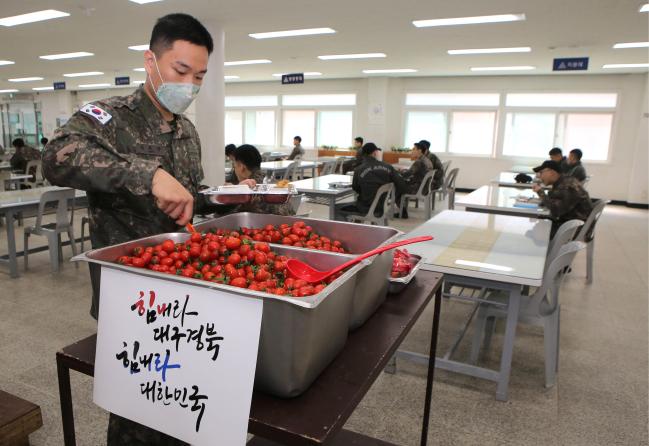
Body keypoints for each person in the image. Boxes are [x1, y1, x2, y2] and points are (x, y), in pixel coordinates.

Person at [43, 13, 218, 446]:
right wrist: (147, 174)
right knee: (138, 411)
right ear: (150, 61)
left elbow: (186, 198)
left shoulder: (188, 131)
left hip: (185, 289)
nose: (190, 84)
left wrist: (233, 198)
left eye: (200, 76)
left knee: (182, 400)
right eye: (181, 71)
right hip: (131, 294)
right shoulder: (109, 117)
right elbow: (57, 157)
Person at [334, 142, 406, 222]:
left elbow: (356, 188)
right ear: (374, 153)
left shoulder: (359, 169)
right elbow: (401, 184)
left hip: (364, 208)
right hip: (381, 207)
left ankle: (346, 232)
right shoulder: (388, 167)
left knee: (336, 207)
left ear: (363, 154)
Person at [532, 160, 593, 237]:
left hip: (574, 228)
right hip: (571, 222)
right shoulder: (564, 181)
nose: (539, 176)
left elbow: (556, 211)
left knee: (536, 233)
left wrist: (540, 192)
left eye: (541, 173)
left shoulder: (566, 186)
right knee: (537, 223)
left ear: (552, 172)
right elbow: (556, 201)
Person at [229, 144, 292, 215]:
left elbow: (232, 215)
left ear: (241, 167)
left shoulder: (248, 192)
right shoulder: (271, 181)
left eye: (234, 166)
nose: (235, 170)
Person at [398, 142, 433, 218]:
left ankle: (403, 212)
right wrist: (404, 171)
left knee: (397, 187)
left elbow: (406, 175)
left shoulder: (419, 162)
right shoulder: (427, 160)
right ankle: (402, 210)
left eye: (414, 149)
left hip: (418, 188)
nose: (412, 151)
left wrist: (399, 171)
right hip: (425, 188)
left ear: (419, 151)